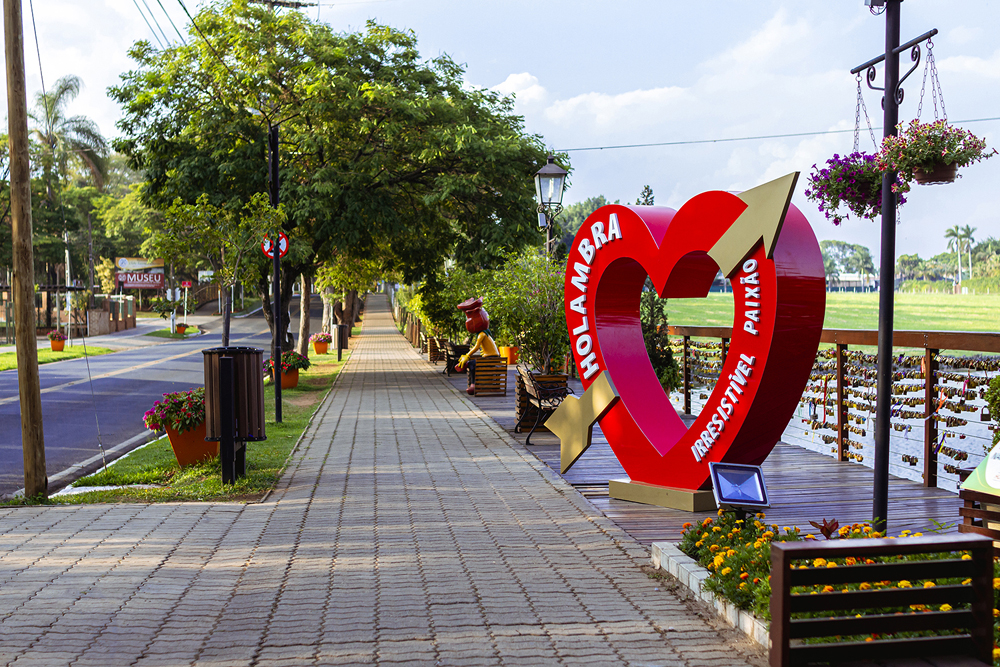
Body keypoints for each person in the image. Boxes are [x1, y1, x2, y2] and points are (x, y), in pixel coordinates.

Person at [455, 297, 499, 394]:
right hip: (492, 358)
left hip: (490, 359)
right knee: (472, 363)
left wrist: (467, 355)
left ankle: (473, 385)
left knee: (471, 364)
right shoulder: (486, 333)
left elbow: (476, 347)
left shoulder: (482, 334)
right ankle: (465, 366)